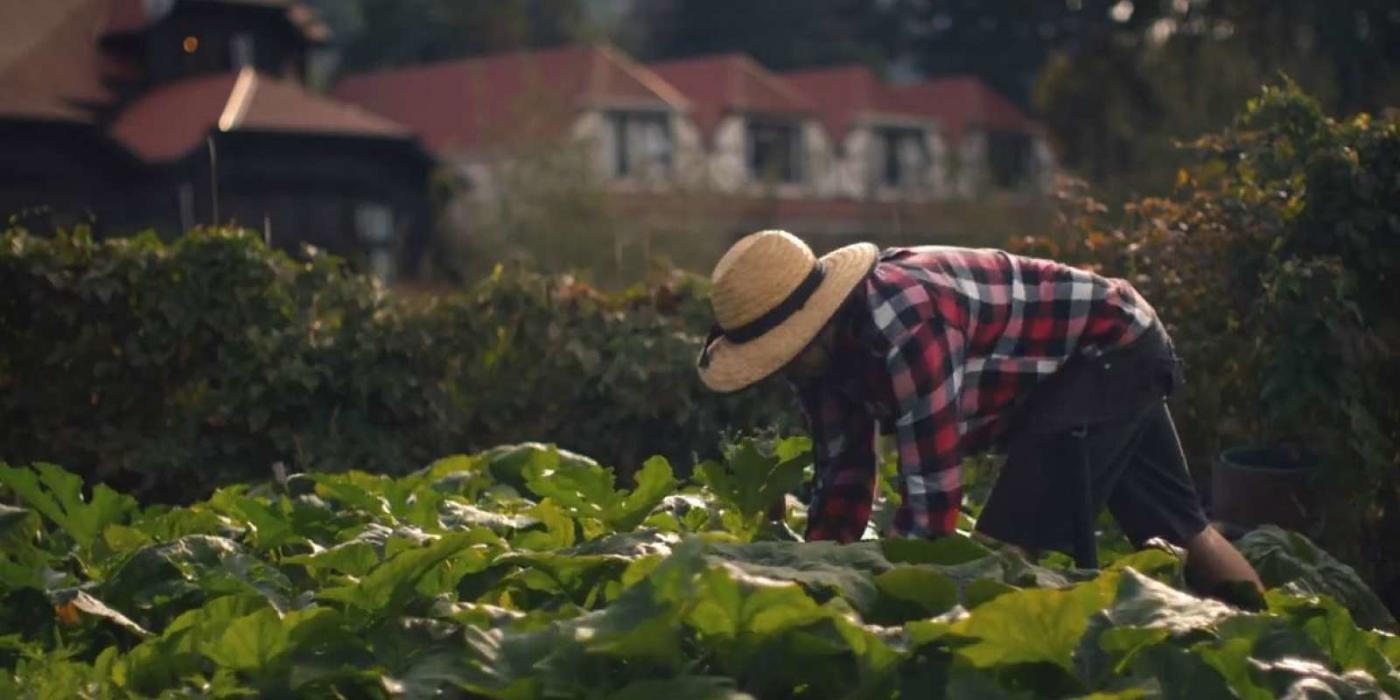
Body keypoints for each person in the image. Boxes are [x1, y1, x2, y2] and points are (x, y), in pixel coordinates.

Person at [696, 230, 1261, 594]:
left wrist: (898, 608)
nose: (783, 370)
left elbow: (933, 499)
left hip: (1106, 351)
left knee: (999, 557)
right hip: (1090, 354)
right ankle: (1268, 635)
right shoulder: (820, 363)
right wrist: (814, 577)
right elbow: (843, 481)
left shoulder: (903, 325)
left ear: (812, 325)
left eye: (783, 355)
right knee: (1180, 528)